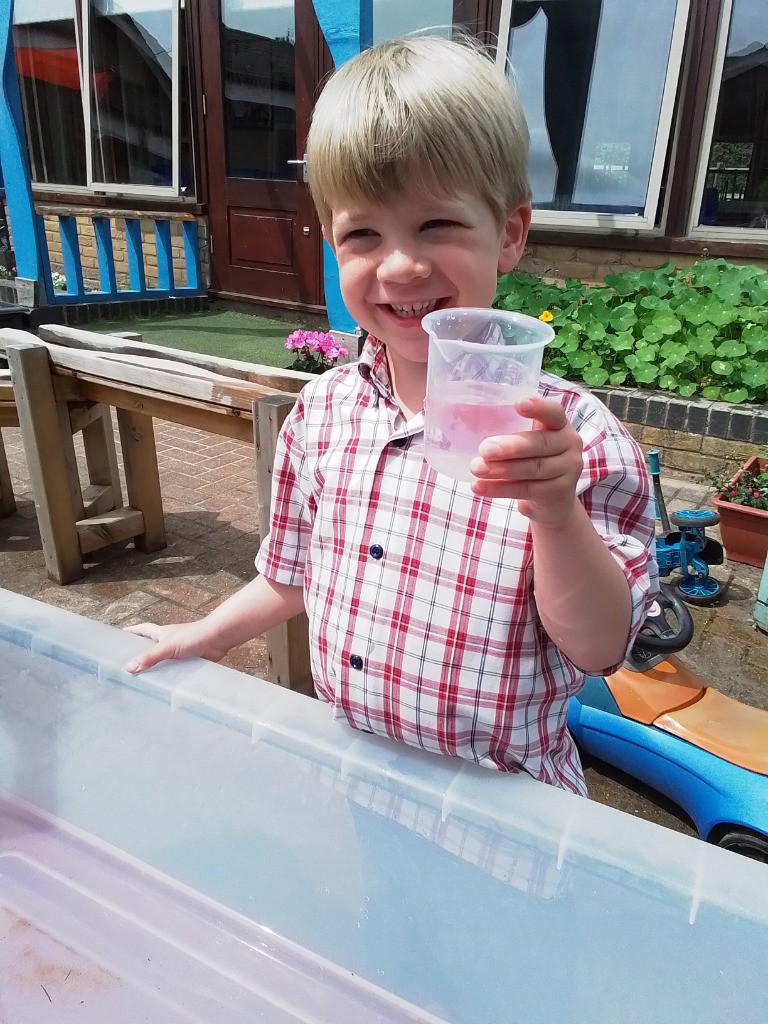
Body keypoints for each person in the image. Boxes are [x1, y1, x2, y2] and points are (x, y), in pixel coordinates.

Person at [126, 34, 658, 795]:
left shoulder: (570, 441)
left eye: (437, 225)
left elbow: (602, 646)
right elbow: (291, 576)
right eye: (363, 234)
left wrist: (555, 514)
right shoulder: (322, 416)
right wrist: (199, 636)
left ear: (508, 233)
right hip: (360, 778)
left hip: (506, 802)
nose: (401, 265)